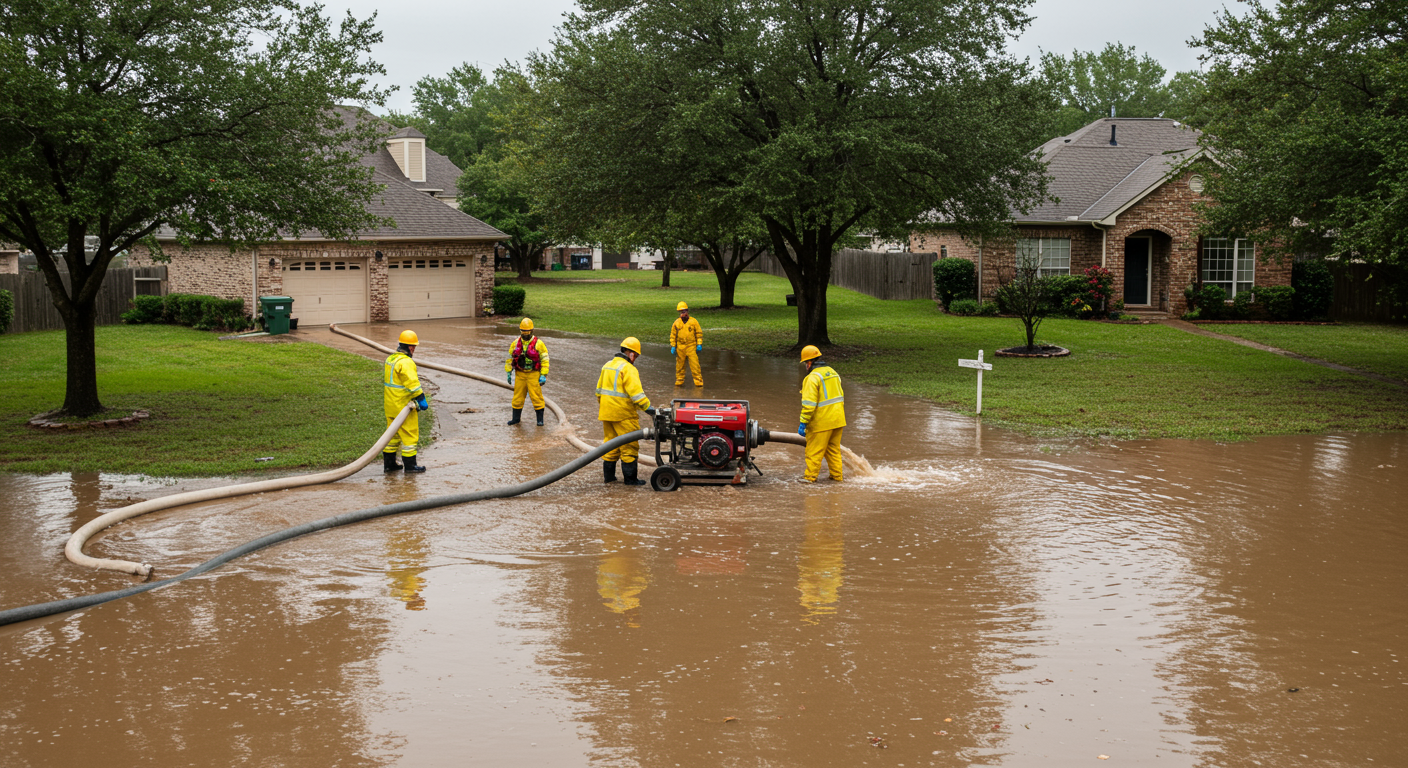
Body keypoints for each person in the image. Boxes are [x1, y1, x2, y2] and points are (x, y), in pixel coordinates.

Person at [596, 337, 654, 485]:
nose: (636, 359)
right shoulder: (629, 369)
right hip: (623, 415)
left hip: (606, 413)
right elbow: (637, 394)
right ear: (631, 354)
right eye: (636, 356)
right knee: (629, 446)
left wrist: (606, 407)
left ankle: (609, 479)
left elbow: (598, 392)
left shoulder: (607, 365)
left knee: (610, 445)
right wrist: (649, 409)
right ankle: (630, 480)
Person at [384, 329, 430, 473]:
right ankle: (410, 466)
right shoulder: (406, 362)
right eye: (414, 347)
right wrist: (421, 400)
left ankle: (389, 465)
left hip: (390, 405)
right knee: (410, 435)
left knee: (392, 435)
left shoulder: (390, 359)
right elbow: (413, 384)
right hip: (403, 406)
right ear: (411, 347)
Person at [797, 345, 845, 482]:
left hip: (821, 422)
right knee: (833, 451)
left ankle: (809, 478)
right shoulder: (832, 372)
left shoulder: (812, 378)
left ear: (809, 362)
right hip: (838, 420)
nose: (806, 366)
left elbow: (809, 405)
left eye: (806, 363)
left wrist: (803, 423)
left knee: (814, 451)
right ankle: (837, 477)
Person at [505, 317, 550, 426]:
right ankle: (515, 419)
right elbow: (510, 358)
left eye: (527, 332)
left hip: (533, 374)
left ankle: (540, 420)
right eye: (523, 332)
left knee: (536, 396)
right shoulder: (515, 343)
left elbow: (545, 359)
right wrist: (508, 371)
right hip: (520, 374)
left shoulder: (539, 344)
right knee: (517, 396)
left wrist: (543, 374)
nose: (525, 335)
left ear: (531, 331)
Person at [669, 301, 704, 387]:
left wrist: (699, 344)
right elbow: (673, 335)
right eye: (681, 312)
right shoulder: (676, 323)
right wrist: (673, 346)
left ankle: (698, 382)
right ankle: (679, 381)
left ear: (687, 311)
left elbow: (698, 333)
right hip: (680, 347)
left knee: (695, 365)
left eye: (684, 311)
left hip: (691, 346)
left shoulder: (693, 322)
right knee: (680, 366)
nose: (683, 314)